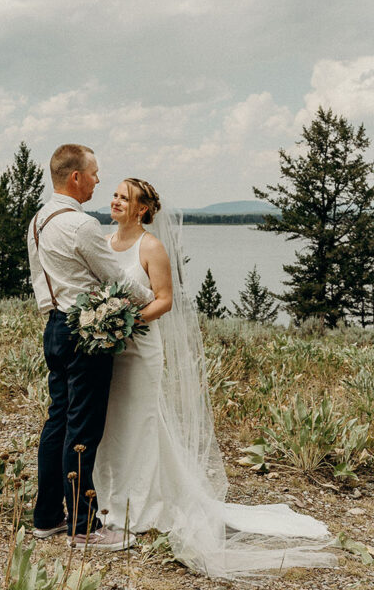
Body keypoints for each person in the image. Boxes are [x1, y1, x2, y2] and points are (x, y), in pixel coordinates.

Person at [94, 178, 335, 580]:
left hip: (141, 349)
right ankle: (110, 497)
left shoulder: (151, 247)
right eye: (116, 195)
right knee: (113, 423)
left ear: (142, 210)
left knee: (142, 421)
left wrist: (125, 321)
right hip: (111, 351)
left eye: (125, 198)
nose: (116, 201)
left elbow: (164, 299)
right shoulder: (104, 243)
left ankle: (143, 504)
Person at [27, 144, 154, 550]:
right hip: (84, 333)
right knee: (83, 429)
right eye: (95, 174)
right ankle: (84, 527)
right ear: (75, 178)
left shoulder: (38, 221)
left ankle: (46, 517)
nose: (99, 181)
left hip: (54, 328)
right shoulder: (81, 226)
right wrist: (150, 296)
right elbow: (116, 278)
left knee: (58, 422)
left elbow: (38, 281)